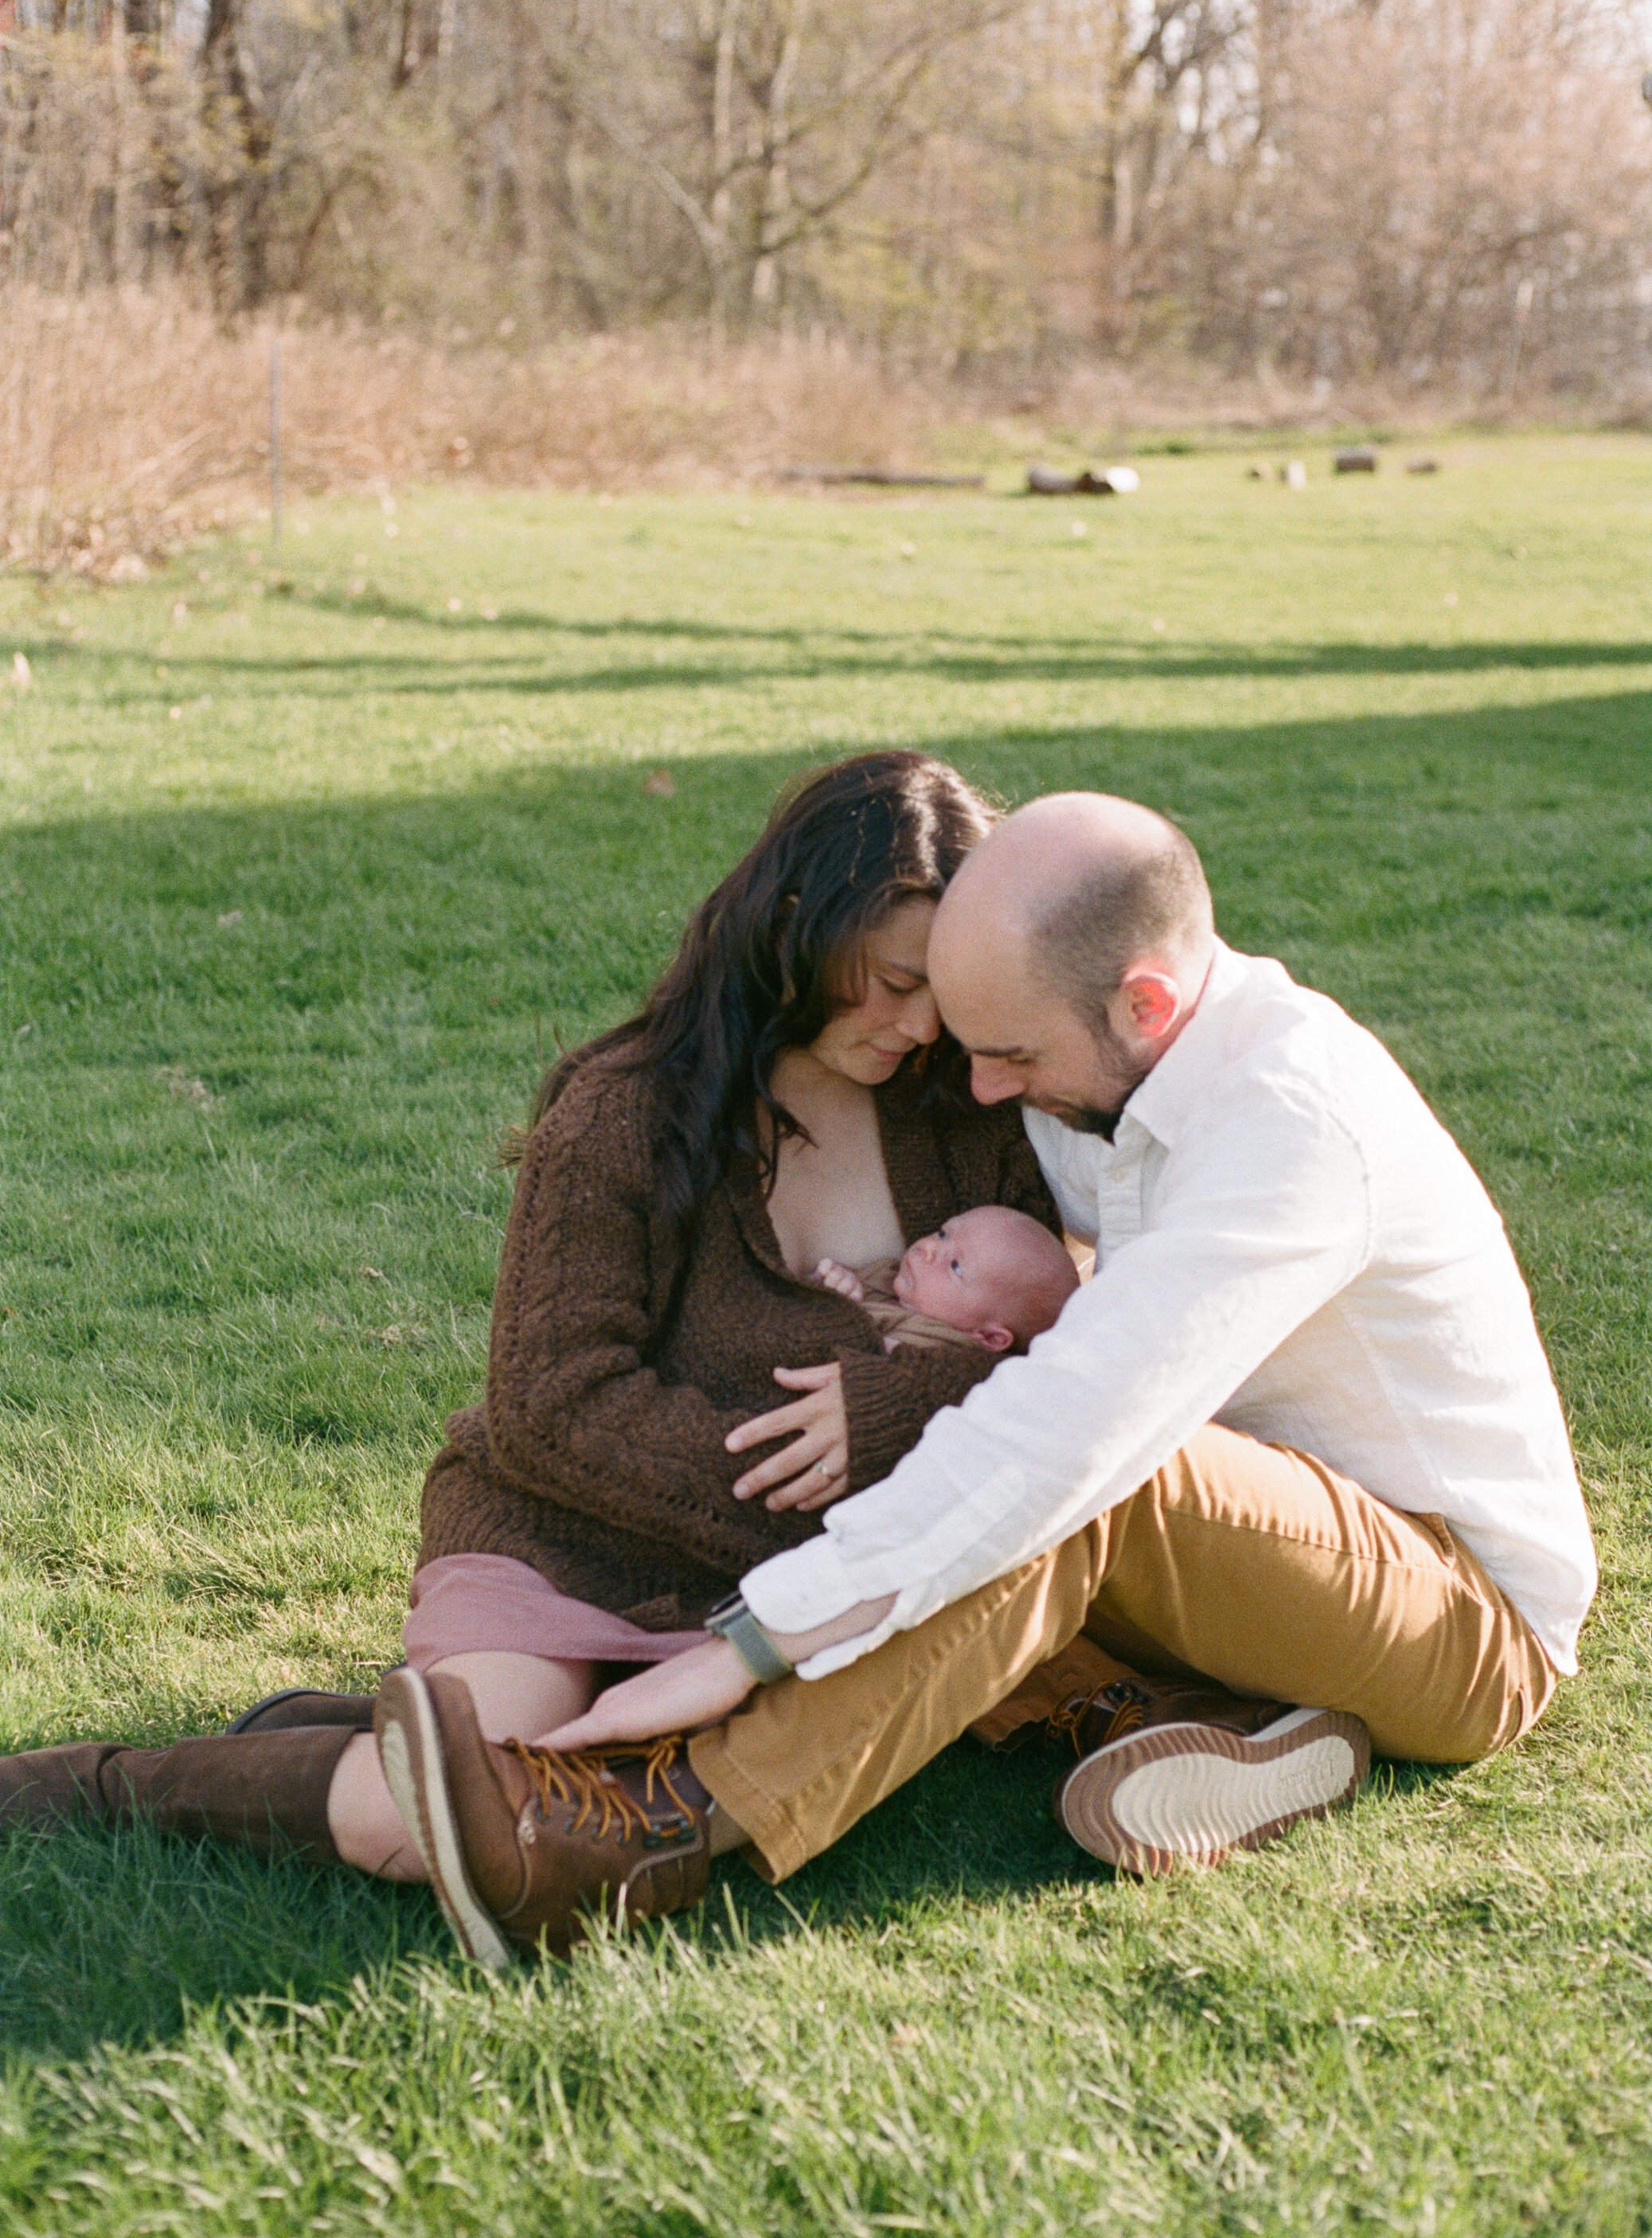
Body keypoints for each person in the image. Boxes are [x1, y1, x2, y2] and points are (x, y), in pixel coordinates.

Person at [368, 787, 1596, 1957]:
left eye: (1006, 1053)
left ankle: (660, 1824)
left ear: (1145, 1001)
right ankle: (1217, 1726)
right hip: (1246, 1567)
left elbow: (1070, 1429)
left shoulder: (1289, 1129)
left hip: (1453, 1609)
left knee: (1082, 1481)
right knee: (1014, 1492)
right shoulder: (1110, 1063)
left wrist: (749, 1645)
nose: (983, 1090)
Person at [0, 751, 1062, 1889]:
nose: (919, 1023)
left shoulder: (968, 1109)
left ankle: (370, 1721)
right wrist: (800, 1526)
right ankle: (108, 1780)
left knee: (605, 1807)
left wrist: (896, 1404)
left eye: (941, 990)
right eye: (893, 980)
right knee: (437, 1823)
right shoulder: (625, 1111)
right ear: (798, 929)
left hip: (801, 1588)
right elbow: (551, 1407)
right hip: (568, 1542)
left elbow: (1068, 1346)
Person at [811, 1205, 1081, 1353]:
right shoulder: (890, 1276)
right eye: (943, 1234)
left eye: (955, 1267)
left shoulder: (939, 1348)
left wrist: (840, 1313)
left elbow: (853, 1357)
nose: (927, 1248)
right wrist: (832, 1283)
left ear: (988, 1337)